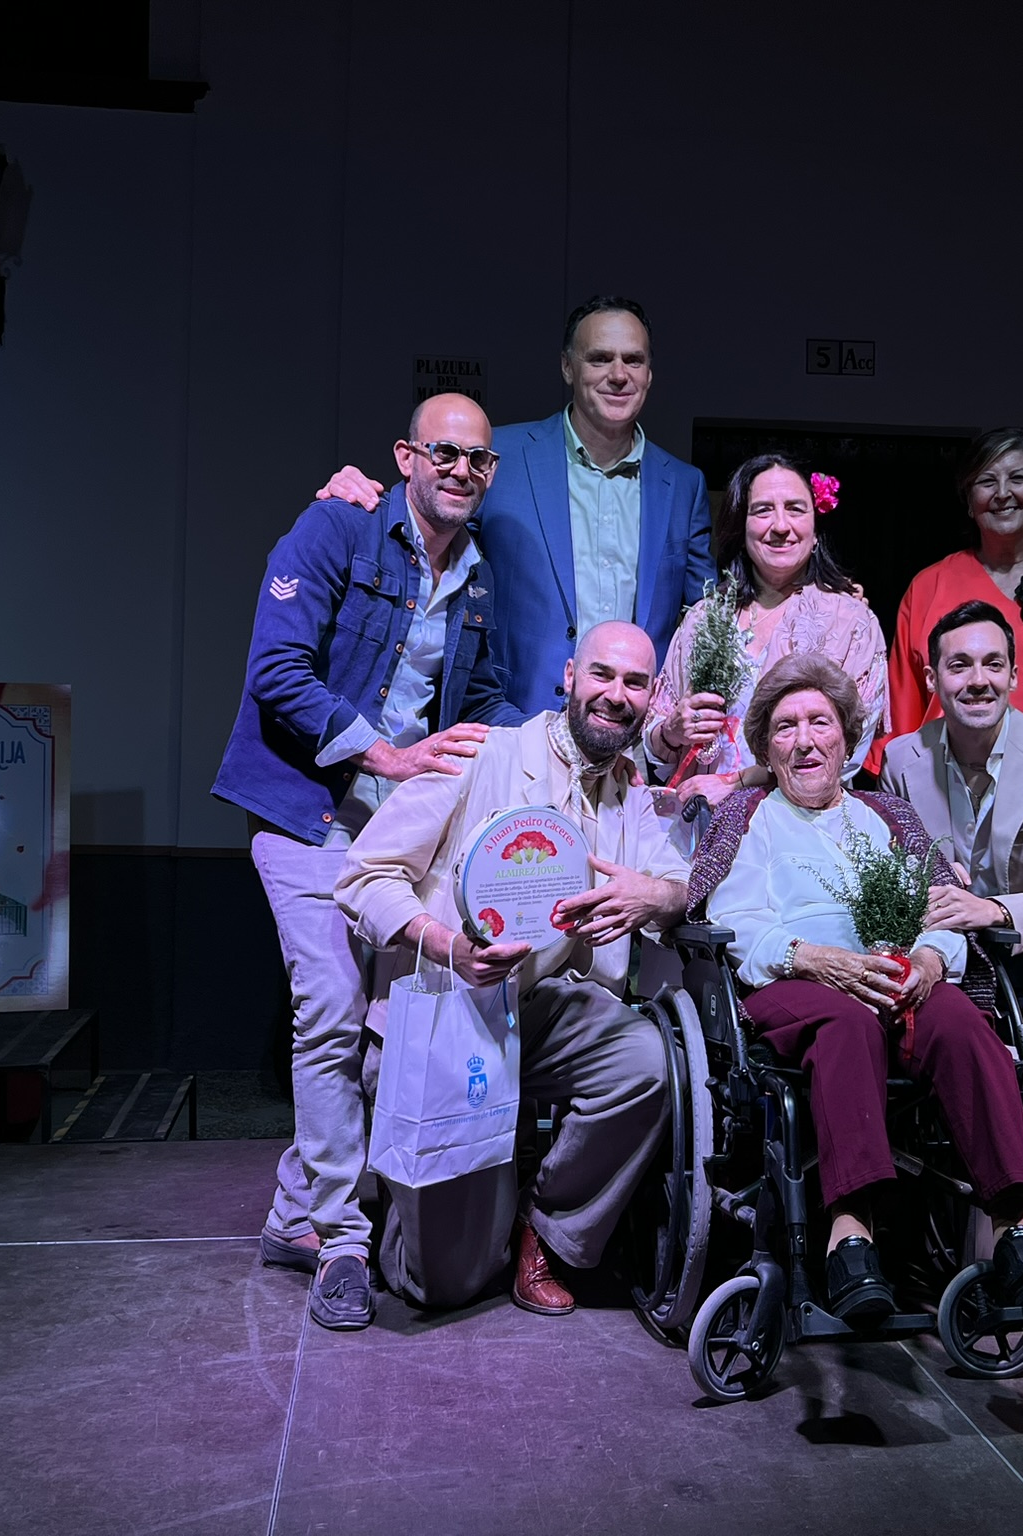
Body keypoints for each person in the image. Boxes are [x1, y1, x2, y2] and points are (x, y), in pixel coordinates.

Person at [213, 393, 525, 1331]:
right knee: (331, 1013)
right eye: (444, 452)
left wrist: (548, 735)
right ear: (405, 456)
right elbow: (277, 671)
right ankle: (341, 1242)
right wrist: (385, 756)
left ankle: (292, 1215)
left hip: (399, 835)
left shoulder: (477, 573)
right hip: (306, 816)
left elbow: (480, 698)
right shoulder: (336, 529)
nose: (461, 470)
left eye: (477, 459)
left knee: (388, 1028)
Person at [691, 652, 1023, 1326]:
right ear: (765, 749)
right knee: (847, 1023)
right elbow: (734, 924)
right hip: (792, 982)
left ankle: (1016, 1227)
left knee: (958, 1020)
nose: (804, 740)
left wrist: (930, 958)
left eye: (819, 722)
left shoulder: (885, 817)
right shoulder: (752, 819)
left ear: (846, 738)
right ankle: (850, 1235)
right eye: (784, 727)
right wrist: (813, 958)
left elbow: (941, 909)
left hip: (893, 977)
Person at [334, 620, 686, 1315]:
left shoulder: (631, 790)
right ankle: (424, 1213)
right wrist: (449, 946)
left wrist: (654, 896)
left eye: (635, 683)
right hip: (454, 1012)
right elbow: (363, 876)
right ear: (570, 677)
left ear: (652, 699)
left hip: (549, 1010)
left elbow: (676, 885)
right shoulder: (480, 754)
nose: (616, 695)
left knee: (649, 1061)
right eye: (602, 675)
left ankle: (544, 1229)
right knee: (446, 1285)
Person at [316, 296, 713, 714]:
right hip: (513, 720)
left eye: (633, 360)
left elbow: (706, 622)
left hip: (635, 726)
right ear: (568, 367)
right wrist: (363, 500)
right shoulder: (493, 457)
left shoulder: (684, 486)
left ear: (649, 373)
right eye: (600, 358)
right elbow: (420, 530)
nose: (618, 375)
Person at [879, 600, 1023, 1072]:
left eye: (993, 664)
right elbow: (891, 882)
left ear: (1013, 676)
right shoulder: (901, 761)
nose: (978, 680)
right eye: (959, 665)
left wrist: (994, 910)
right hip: (933, 961)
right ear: (932, 679)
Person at [645, 453, 886, 805]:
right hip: (698, 816)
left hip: (802, 820)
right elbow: (654, 735)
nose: (781, 525)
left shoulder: (852, 623)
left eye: (795, 509)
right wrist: (672, 730)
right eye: (762, 510)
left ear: (815, 531)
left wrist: (738, 784)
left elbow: (849, 747)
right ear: (741, 527)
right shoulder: (704, 618)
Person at [871, 427, 1023, 774]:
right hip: (945, 782)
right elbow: (903, 705)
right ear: (969, 500)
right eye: (986, 481)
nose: (1002, 493)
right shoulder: (928, 585)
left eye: (1018, 478)